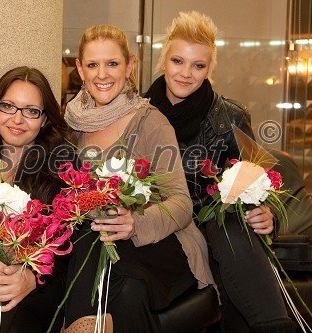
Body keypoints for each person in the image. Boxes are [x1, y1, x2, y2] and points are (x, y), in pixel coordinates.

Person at [143, 11, 295, 333]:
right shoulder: (137, 116)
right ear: (163, 61)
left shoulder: (231, 117)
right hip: (166, 235)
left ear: (210, 68)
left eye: (198, 65)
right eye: (178, 61)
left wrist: (268, 215)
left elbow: (261, 185)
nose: (186, 73)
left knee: (230, 223)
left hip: (221, 236)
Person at [61, 24, 214, 333]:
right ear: (79, 68)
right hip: (97, 243)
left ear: (130, 65)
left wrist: (135, 222)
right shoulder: (68, 125)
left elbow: (182, 204)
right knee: (98, 248)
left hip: (162, 243)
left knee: (127, 284)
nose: (102, 74)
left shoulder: (151, 122)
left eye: (112, 63)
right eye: (93, 64)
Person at [0, 66, 74, 333]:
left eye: (31, 111)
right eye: (8, 106)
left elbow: (71, 239)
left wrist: (33, 276)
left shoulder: (62, 163)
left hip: (41, 287)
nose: (17, 119)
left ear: (44, 120)